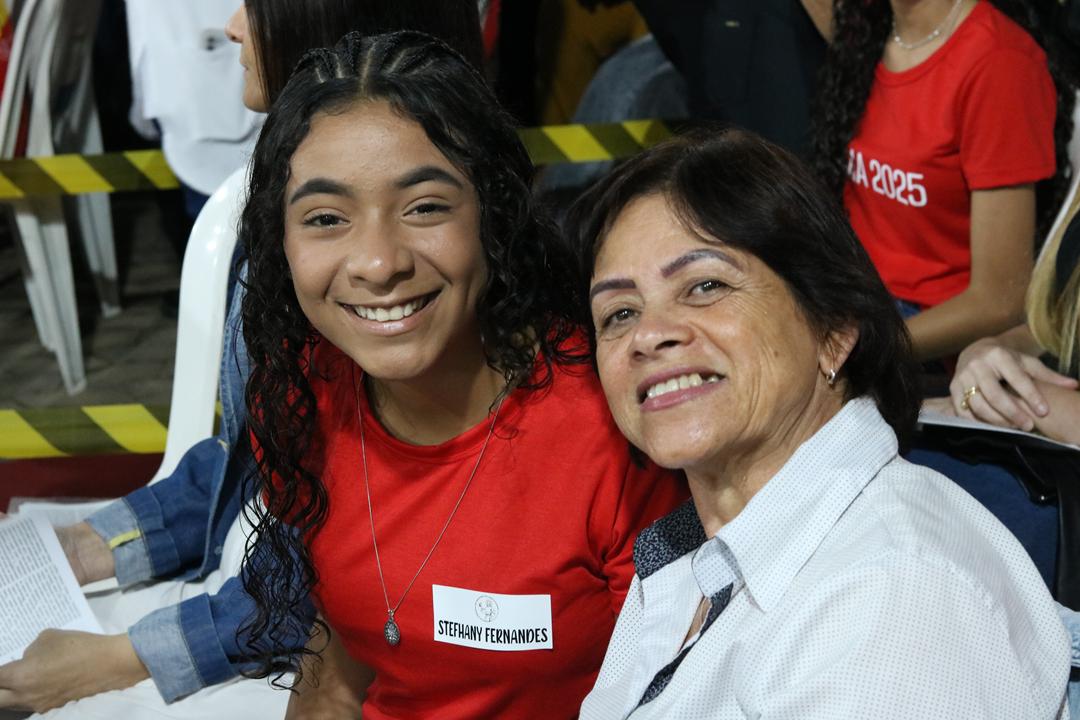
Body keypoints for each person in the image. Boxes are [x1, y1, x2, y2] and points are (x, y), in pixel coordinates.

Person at [0, 3, 484, 718]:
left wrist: (121, 658)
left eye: (424, 207)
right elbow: (250, 458)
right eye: (325, 217)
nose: (229, 26)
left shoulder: (388, 307)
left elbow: (343, 573)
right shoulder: (277, 234)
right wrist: (90, 545)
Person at [236, 30, 685, 719]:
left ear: (491, 217)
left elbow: (679, 691)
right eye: (326, 218)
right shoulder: (301, 397)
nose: (379, 263)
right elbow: (341, 658)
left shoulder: (611, 426)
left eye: (425, 208)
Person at [570, 127, 1072, 718]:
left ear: (834, 328)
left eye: (705, 285)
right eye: (619, 313)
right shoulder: (702, 549)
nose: (650, 335)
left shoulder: (890, 595)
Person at [810, 0, 1070, 363]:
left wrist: (863, 354)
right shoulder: (868, 28)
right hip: (850, 295)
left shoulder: (999, 62)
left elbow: (999, 301)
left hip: (924, 335)